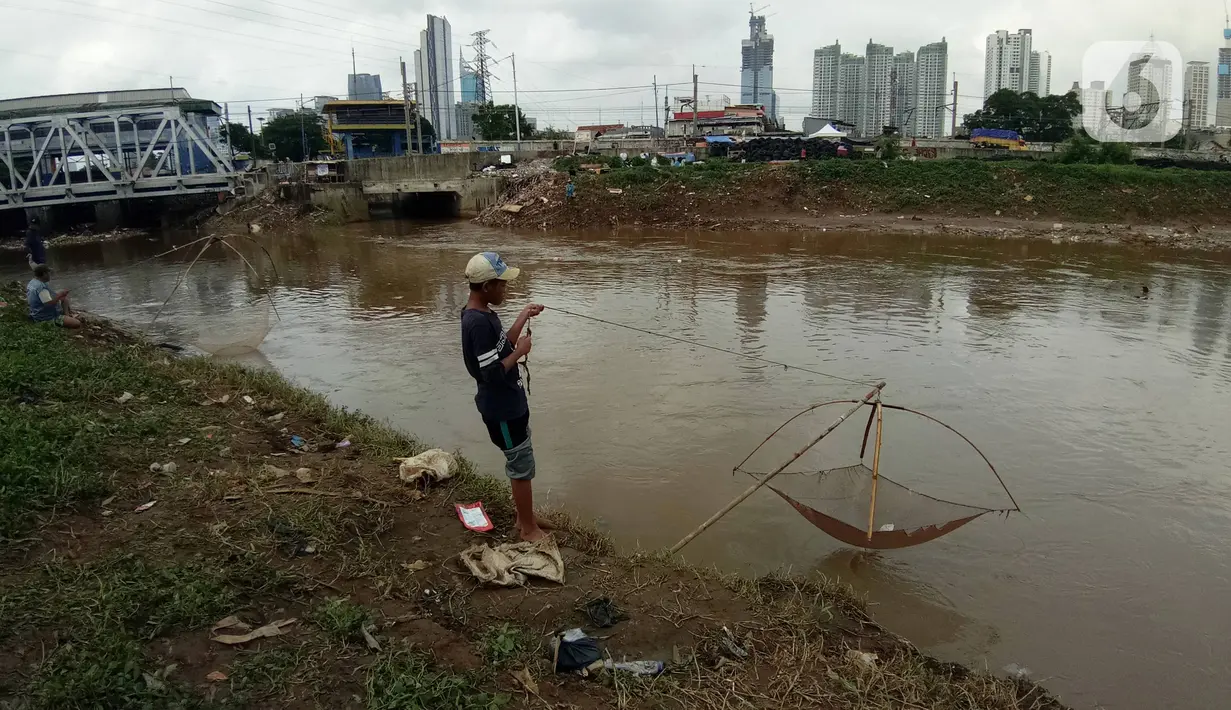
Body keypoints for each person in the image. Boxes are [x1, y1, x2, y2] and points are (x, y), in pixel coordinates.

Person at [460, 252, 550, 542]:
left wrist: (524, 314)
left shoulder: (486, 315)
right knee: (520, 466)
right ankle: (527, 529)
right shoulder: (477, 323)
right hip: (501, 410)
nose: (506, 289)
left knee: (523, 459)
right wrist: (521, 352)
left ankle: (526, 516)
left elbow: (502, 347)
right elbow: (493, 374)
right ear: (486, 287)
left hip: (512, 404)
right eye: (502, 284)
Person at [27, 264, 81, 329]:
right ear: (44, 274)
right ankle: (57, 321)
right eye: (48, 273)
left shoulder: (33, 282)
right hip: (46, 317)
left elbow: (46, 298)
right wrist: (60, 294)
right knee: (77, 323)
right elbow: (48, 303)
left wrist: (60, 294)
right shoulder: (41, 288)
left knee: (65, 299)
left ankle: (67, 315)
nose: (50, 275)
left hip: (37, 310)